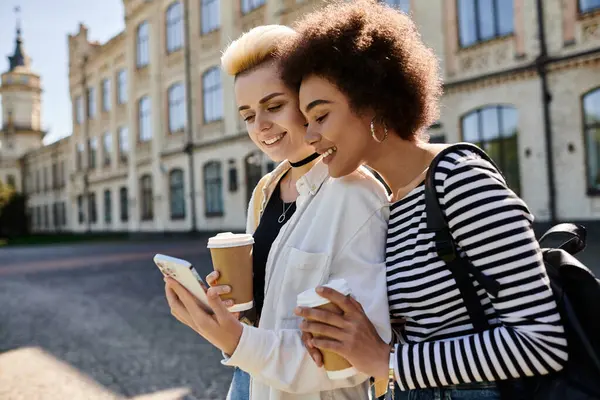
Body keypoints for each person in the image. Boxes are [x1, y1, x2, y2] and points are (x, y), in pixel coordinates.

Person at [277, 1, 569, 399]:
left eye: (321, 116)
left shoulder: (460, 180)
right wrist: (353, 337)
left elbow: (542, 341)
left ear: (373, 102)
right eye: (306, 121)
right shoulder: (391, 201)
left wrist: (388, 359)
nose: (310, 137)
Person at [163, 25, 392, 400]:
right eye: (248, 115)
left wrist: (236, 340)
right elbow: (269, 311)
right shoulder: (265, 190)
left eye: (273, 106)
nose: (261, 126)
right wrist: (230, 311)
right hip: (249, 381)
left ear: (308, 99)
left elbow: (350, 364)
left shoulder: (357, 194)